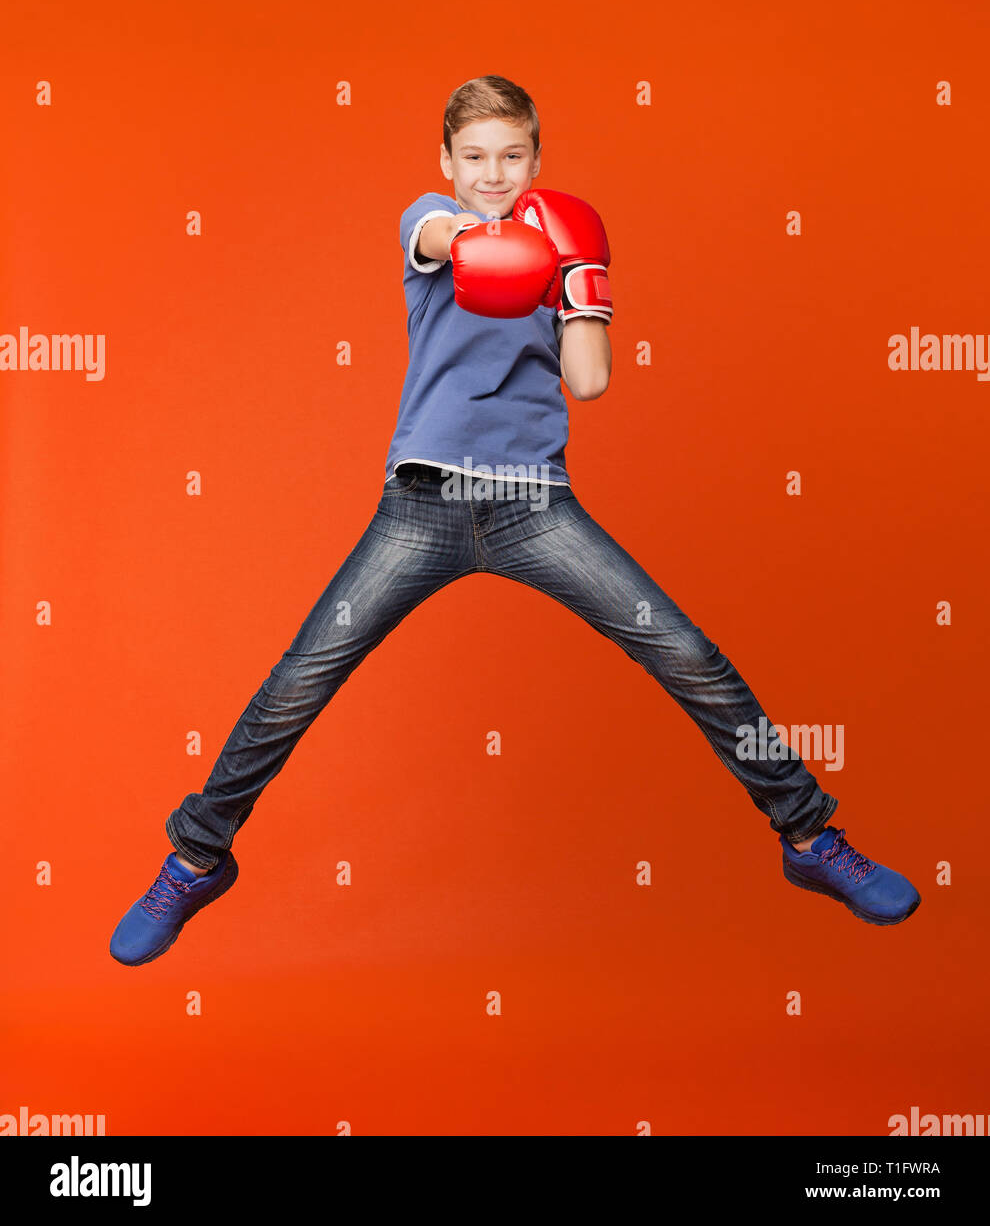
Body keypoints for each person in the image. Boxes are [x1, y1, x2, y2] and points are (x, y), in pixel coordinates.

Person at [110, 75, 919, 966]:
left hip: (534, 504)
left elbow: (591, 381)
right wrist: (489, 237)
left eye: (513, 156)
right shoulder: (431, 221)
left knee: (687, 653)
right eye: (476, 157)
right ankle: (196, 857)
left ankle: (809, 838)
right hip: (421, 507)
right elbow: (440, 235)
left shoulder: (565, 246)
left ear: (537, 158)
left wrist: (579, 280)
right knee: (301, 678)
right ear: (448, 163)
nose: (493, 173)